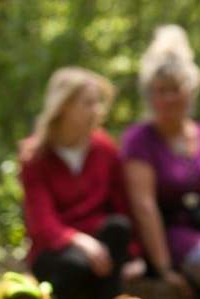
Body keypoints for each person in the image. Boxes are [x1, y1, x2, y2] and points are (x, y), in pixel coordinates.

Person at [121, 25, 200, 299]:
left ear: (189, 90)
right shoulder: (139, 140)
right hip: (173, 239)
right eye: (160, 90)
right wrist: (164, 267)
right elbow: (144, 207)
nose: (168, 98)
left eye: (174, 89)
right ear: (149, 95)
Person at [19, 67, 140, 299]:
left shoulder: (105, 149)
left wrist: (134, 255)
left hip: (101, 245)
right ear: (64, 106)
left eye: (98, 103)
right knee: (76, 266)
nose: (97, 111)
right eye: (88, 103)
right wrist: (80, 241)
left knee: (118, 227)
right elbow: (41, 223)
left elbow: (121, 206)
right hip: (55, 251)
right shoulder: (36, 156)